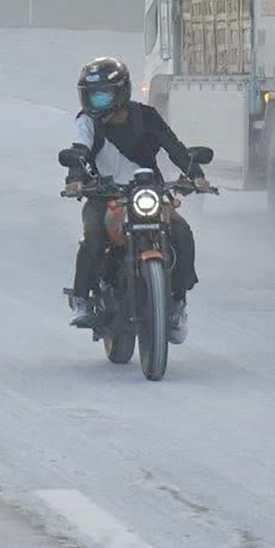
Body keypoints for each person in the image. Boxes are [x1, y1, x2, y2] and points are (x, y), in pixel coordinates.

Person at [63, 56, 204, 343]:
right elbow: (79, 150)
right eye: (92, 96)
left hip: (148, 192)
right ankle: (82, 298)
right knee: (93, 237)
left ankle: (177, 303)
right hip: (104, 195)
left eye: (102, 96)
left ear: (120, 93)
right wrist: (75, 180)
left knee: (181, 232)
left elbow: (173, 146)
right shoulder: (87, 122)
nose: (96, 103)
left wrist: (196, 175)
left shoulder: (146, 116)